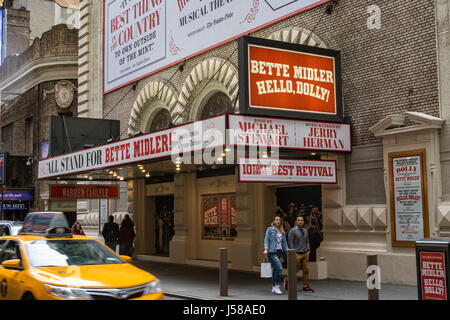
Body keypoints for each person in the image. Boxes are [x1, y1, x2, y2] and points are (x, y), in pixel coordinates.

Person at [287, 216, 314, 292]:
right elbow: (290, 242)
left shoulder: (305, 231)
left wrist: (308, 250)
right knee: (296, 269)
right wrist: (292, 252)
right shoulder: (292, 231)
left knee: (306, 269)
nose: (300, 221)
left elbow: (307, 241)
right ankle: (287, 280)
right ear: (296, 221)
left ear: (303, 222)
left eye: (302, 220)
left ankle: (305, 286)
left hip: (305, 253)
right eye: (298, 220)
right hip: (297, 253)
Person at [264, 216, 288, 295]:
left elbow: (284, 243)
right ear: (274, 221)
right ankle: (277, 286)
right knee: (279, 267)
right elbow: (266, 240)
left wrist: (288, 251)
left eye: (279, 220)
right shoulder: (270, 229)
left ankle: (274, 286)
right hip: (272, 251)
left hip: (279, 252)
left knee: (275, 269)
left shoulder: (282, 231)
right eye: (276, 220)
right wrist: (266, 249)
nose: (278, 221)